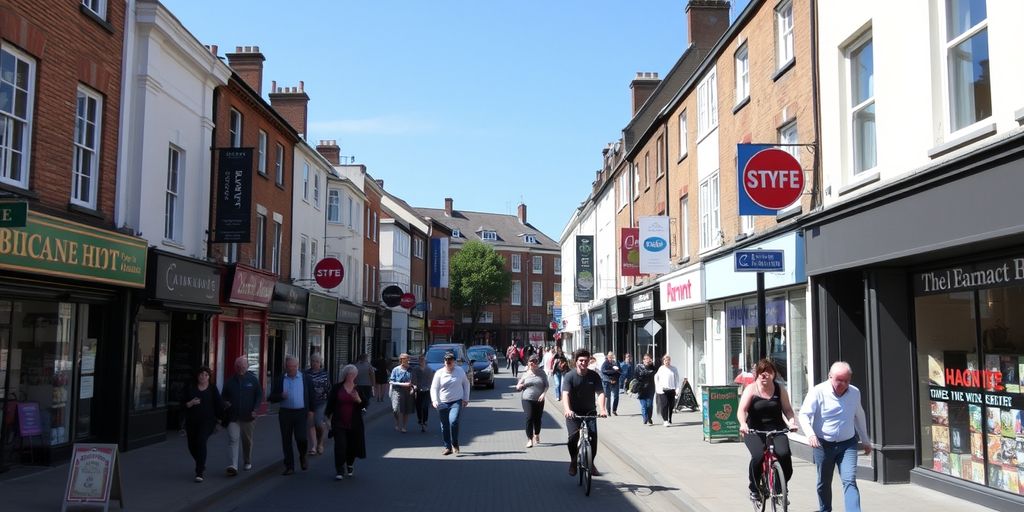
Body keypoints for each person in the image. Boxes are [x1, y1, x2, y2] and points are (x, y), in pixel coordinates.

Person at [799, 361, 871, 512]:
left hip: (848, 444)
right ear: (830, 376)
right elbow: (804, 415)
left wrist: (865, 440)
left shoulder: (854, 392)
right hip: (823, 444)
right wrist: (810, 434)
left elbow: (859, 415)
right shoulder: (818, 391)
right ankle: (825, 509)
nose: (843, 384)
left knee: (849, 480)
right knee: (824, 482)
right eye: (839, 380)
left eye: (847, 380)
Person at [737, 359, 798, 503]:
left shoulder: (779, 389)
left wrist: (791, 422)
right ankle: (754, 487)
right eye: (761, 373)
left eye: (768, 372)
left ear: (774, 374)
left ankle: (780, 488)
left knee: (784, 455)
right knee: (758, 456)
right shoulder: (751, 389)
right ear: (757, 375)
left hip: (777, 428)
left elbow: (788, 410)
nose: (765, 375)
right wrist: (743, 424)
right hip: (753, 430)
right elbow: (742, 410)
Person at [562, 349, 608, 477]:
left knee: (593, 438)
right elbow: (565, 394)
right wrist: (567, 410)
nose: (583, 363)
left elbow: (600, 393)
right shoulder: (569, 376)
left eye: (586, 361)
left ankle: (591, 463)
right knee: (573, 438)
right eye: (581, 360)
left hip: (589, 412)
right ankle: (573, 461)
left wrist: (603, 409)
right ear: (576, 361)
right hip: (573, 413)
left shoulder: (594, 376)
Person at [268, 355, 315, 475]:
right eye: (289, 367)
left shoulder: (305, 378)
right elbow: (271, 397)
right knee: (286, 440)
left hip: (301, 413)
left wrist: (311, 411)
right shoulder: (281, 379)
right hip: (285, 413)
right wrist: (280, 396)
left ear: (297, 366)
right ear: (285, 367)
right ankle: (289, 466)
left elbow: (312, 395)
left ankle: (303, 456)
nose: (291, 369)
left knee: (301, 438)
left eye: (293, 367)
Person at [221, 356, 262, 475]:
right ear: (235, 367)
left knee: (246, 441)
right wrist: (225, 403)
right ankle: (233, 465)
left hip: (248, 417)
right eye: (238, 366)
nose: (240, 368)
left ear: (247, 367)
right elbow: (223, 397)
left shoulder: (253, 380)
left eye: (243, 366)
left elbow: (259, 395)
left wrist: (255, 409)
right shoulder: (229, 381)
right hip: (233, 417)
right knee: (233, 439)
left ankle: (247, 461)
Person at [325, 364, 366, 480]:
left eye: (354, 374)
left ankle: (350, 464)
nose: (352, 376)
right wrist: (327, 417)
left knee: (351, 447)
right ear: (345, 375)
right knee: (340, 446)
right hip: (339, 422)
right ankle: (339, 470)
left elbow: (364, 405)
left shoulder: (358, 388)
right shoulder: (337, 388)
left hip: (354, 423)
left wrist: (358, 400)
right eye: (350, 374)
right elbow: (330, 404)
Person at [183, 366, 223, 482]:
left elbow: (218, 404)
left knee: (201, 441)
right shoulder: (190, 387)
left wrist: (220, 420)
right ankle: (201, 463)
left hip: (208, 422)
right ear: (197, 376)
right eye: (201, 374)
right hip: (192, 422)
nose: (203, 377)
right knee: (191, 446)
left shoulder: (212, 389)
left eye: (206, 375)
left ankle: (199, 471)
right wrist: (190, 403)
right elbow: (182, 403)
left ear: (209, 377)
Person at [430, 351, 471, 456]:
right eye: (446, 360)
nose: (448, 362)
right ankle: (447, 447)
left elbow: (466, 384)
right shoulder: (439, 373)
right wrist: (435, 401)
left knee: (453, 422)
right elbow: (434, 388)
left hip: (456, 401)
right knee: (444, 425)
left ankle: (455, 443)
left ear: (454, 361)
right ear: (444, 362)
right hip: (442, 402)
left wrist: (466, 398)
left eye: (450, 360)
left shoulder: (460, 371)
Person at [516, 354, 549, 448]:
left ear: (537, 363)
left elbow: (546, 385)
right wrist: (519, 386)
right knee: (529, 417)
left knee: (537, 419)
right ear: (528, 363)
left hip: (539, 399)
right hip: (527, 399)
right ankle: (530, 439)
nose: (533, 363)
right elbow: (518, 386)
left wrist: (543, 394)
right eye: (531, 361)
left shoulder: (541, 373)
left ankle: (537, 434)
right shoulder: (525, 374)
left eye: (535, 361)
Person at [306, 354, 330, 456]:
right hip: (310, 403)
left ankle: (320, 443)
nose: (314, 363)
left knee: (318, 424)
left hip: (321, 402)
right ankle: (313, 446)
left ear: (320, 363)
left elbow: (329, 388)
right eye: (312, 361)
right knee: (310, 424)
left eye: (316, 361)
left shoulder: (325, 374)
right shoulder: (306, 374)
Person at [389, 353, 415, 433]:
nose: (406, 360)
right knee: (395, 408)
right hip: (397, 391)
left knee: (406, 409)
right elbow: (391, 381)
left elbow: (414, 382)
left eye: (407, 358)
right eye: (404, 359)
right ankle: (397, 422)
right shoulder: (396, 369)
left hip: (407, 391)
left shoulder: (411, 369)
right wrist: (402, 384)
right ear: (401, 360)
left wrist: (413, 388)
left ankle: (404, 426)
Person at [654, 354, 682, 426]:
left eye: (668, 360)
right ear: (663, 361)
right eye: (665, 360)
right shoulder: (661, 369)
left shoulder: (674, 369)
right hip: (663, 390)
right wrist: (658, 388)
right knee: (665, 404)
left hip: (672, 389)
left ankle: (669, 418)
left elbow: (677, 379)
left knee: (671, 405)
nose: (667, 362)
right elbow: (656, 378)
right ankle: (665, 420)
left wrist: (677, 389)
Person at [412, 354, 435, 432]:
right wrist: (415, 386)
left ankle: (424, 420)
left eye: (423, 359)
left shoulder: (429, 370)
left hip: (427, 391)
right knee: (418, 407)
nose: (422, 361)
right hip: (418, 390)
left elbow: (432, 381)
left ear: (425, 361)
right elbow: (414, 379)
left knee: (425, 406)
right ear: (419, 361)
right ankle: (420, 419)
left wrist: (431, 388)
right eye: (420, 359)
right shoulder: (415, 369)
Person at [634, 353, 656, 425]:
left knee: (649, 405)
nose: (647, 360)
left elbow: (656, 374)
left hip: (650, 389)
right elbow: (636, 377)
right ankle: (645, 417)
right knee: (644, 405)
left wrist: (651, 365)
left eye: (648, 359)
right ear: (643, 360)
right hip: (641, 388)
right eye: (646, 359)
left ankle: (649, 417)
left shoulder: (653, 367)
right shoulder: (638, 367)